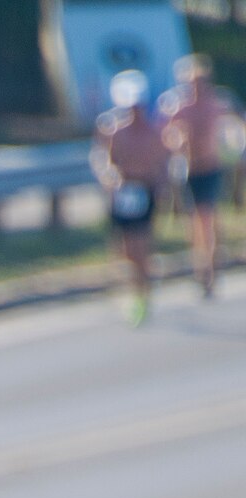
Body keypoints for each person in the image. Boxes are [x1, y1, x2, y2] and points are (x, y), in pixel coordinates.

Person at [161, 54, 243, 299]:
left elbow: (238, 124)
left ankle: (209, 267)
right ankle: (202, 263)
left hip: (212, 167)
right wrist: (178, 141)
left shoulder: (218, 103)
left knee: (207, 217)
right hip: (189, 169)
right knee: (194, 220)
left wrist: (236, 148)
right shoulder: (178, 107)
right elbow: (165, 135)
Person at [93, 70, 171, 326]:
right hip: (123, 194)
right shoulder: (114, 131)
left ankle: (143, 294)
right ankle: (133, 288)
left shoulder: (153, 132)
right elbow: (103, 160)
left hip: (144, 192)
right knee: (124, 249)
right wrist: (110, 177)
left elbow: (163, 163)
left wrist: (162, 187)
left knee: (141, 246)